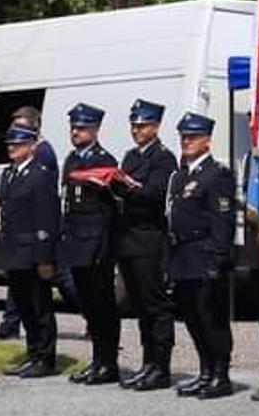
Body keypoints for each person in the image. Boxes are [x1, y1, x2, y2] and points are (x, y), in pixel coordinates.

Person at [167, 112, 237, 398]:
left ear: (207, 140)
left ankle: (220, 374)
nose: (186, 141)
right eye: (183, 137)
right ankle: (205, 370)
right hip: (182, 255)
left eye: (193, 137)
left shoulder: (216, 175)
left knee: (212, 319)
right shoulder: (180, 176)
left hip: (205, 254)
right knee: (193, 319)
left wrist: (218, 260)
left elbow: (223, 221)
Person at [115, 100, 178, 391]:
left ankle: (161, 367)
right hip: (129, 239)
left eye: (142, 126)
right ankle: (148, 363)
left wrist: (126, 188)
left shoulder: (163, 159)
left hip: (149, 239)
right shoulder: (130, 157)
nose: (137, 131)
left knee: (156, 306)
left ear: (155, 127)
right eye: (134, 126)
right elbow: (127, 190)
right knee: (140, 306)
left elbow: (154, 194)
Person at [58, 104, 122, 386]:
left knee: (103, 306)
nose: (76, 133)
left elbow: (110, 211)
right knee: (88, 307)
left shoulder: (104, 160)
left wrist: (104, 248)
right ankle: (96, 362)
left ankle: (108, 363)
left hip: (97, 246)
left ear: (95, 130)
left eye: (82, 128)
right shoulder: (71, 160)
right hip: (76, 243)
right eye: (73, 128)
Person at [0, 124, 60, 377]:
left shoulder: (40, 175)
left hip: (32, 251)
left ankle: (46, 358)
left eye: (18, 144)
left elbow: (47, 218)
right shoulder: (9, 174)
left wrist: (45, 257)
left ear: (32, 146)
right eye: (10, 144)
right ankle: (33, 355)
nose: (12, 148)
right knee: (24, 306)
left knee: (40, 306)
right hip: (13, 251)